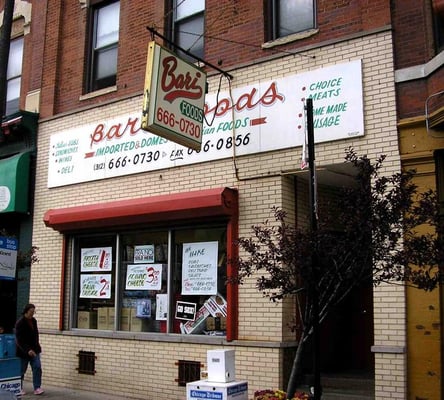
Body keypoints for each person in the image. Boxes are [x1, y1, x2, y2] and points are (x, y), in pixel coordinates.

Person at [15, 304, 44, 396]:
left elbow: (36, 335)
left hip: (35, 350)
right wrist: (27, 350)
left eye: (34, 312)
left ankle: (37, 387)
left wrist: (37, 347)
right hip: (24, 351)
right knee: (21, 370)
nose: (33, 313)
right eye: (31, 311)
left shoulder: (34, 321)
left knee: (37, 367)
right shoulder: (20, 323)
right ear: (26, 311)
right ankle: (19, 387)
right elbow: (19, 340)